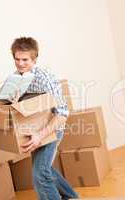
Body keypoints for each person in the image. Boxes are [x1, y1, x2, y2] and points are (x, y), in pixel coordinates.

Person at [10, 37, 79, 200]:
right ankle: (71, 196)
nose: (20, 64)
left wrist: (40, 136)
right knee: (43, 168)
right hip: (34, 129)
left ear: (34, 59)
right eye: (17, 59)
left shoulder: (44, 78)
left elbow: (62, 113)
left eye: (25, 60)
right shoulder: (16, 77)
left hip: (52, 128)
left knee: (40, 174)